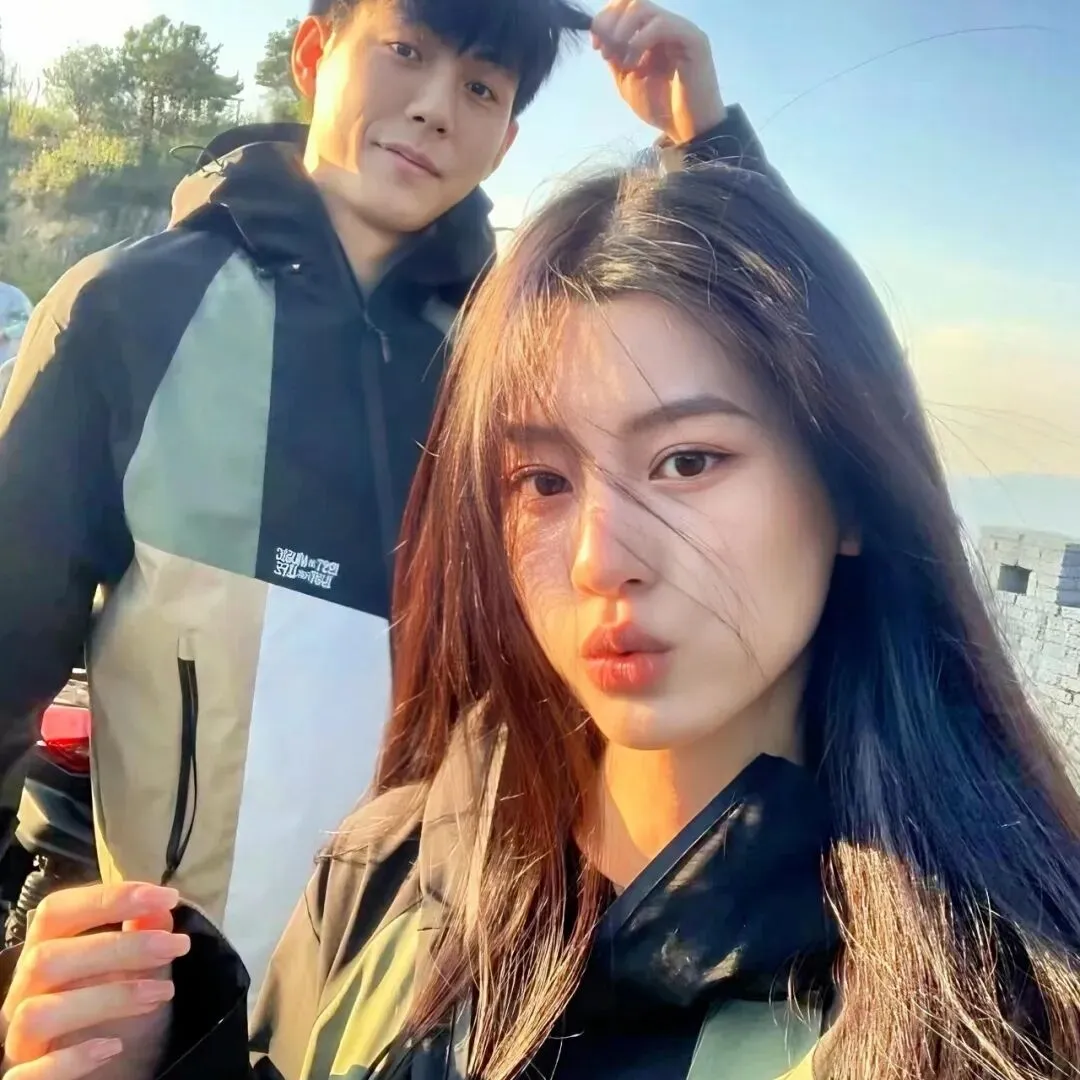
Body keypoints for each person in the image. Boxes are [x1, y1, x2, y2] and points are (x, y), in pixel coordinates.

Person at [7, 145, 1080, 1080]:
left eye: (687, 461)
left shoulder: (986, 1015)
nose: (601, 559)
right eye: (542, 482)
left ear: (847, 489)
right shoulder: (395, 865)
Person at [0, 0, 763, 988]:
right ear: (314, 53)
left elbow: (761, 391)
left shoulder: (521, 356)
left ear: (506, 140)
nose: (437, 108)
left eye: (481, 88)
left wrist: (707, 152)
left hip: (424, 998)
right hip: (167, 985)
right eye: (406, 51)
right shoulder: (128, 307)